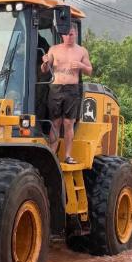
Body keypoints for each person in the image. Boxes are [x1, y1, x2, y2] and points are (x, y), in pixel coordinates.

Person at [40, 23, 93, 164]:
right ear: (62, 35)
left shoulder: (81, 51)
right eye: (66, 34)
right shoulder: (54, 49)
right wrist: (44, 62)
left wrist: (81, 66)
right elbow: (45, 69)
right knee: (55, 123)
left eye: (71, 34)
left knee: (69, 123)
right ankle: (52, 154)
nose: (69, 37)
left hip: (72, 89)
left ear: (75, 33)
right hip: (56, 88)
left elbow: (90, 70)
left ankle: (68, 155)